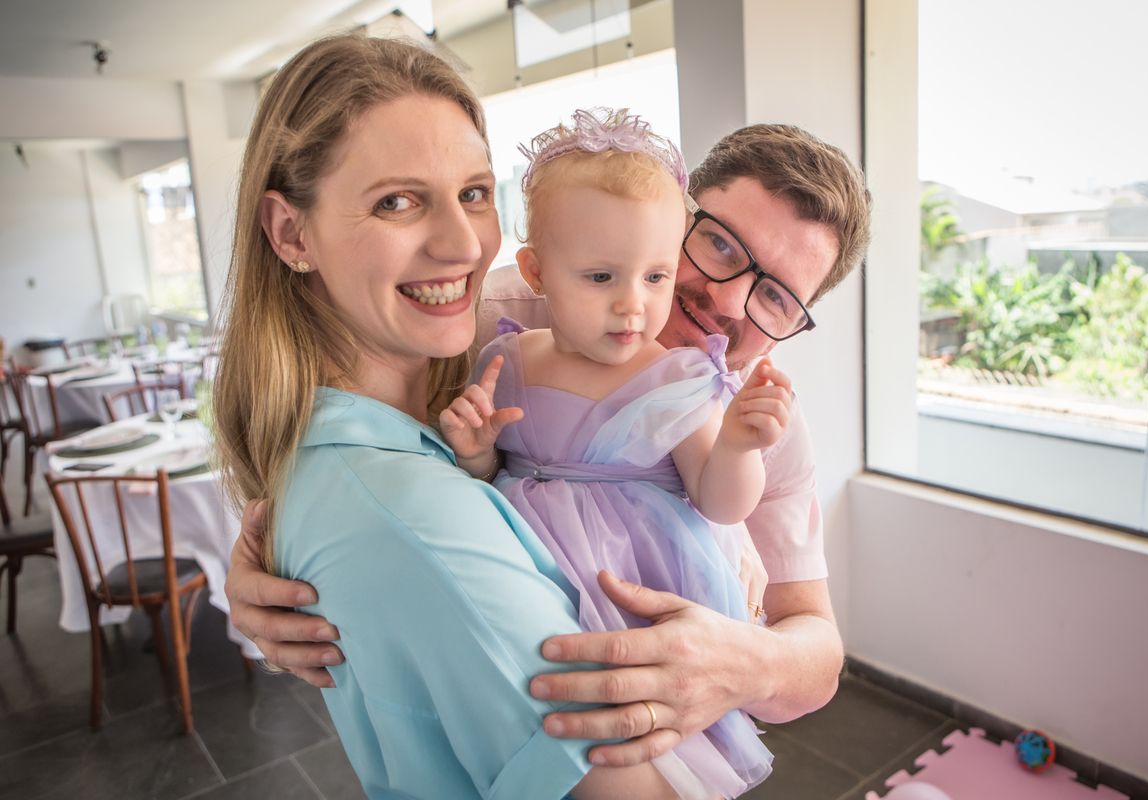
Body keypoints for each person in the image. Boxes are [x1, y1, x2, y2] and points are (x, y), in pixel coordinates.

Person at [226, 119, 872, 768]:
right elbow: (346, 441)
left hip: (646, 720)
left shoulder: (762, 421)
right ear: (675, 218)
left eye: (777, 298)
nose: (729, 302)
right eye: (723, 248)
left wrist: (742, 664)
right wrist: (278, 553)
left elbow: (817, 656)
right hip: (494, 682)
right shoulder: (489, 319)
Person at [212, 34, 689, 799]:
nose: (464, 243)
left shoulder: (437, 405)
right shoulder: (417, 514)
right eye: (395, 201)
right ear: (292, 233)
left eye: (473, 192)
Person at [440, 108, 793, 799]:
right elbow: (492, 473)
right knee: (534, 726)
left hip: (636, 584)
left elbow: (719, 501)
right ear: (537, 271)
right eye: (601, 278)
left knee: (637, 744)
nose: (633, 306)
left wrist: (739, 445)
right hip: (529, 577)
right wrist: (476, 453)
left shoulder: (675, 380)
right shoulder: (505, 357)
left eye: (656, 278)